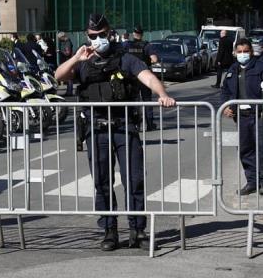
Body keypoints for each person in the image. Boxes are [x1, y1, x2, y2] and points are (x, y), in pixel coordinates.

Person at [55, 13, 175, 251]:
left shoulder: (125, 59)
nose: (98, 39)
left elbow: (148, 77)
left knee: (134, 179)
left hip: (124, 127)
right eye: (93, 36)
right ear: (87, 37)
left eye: (101, 35)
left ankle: (137, 231)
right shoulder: (83, 62)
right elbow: (58, 76)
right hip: (96, 129)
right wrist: (77, 58)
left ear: (109, 33)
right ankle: (109, 231)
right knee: (102, 182)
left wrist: (163, 95)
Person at [220, 38, 263, 195]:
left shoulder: (262, 67)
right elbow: (225, 91)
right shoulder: (232, 70)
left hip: (259, 115)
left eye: (245, 51)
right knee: (246, 150)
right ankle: (252, 181)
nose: (242, 54)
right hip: (241, 116)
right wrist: (226, 106)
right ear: (234, 53)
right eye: (239, 52)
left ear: (251, 52)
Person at [123, 26, 158, 130]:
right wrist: (148, 61)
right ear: (142, 35)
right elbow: (154, 59)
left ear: (133, 34)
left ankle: (135, 124)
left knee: (134, 101)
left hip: (132, 77)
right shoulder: (147, 45)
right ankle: (150, 124)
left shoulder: (127, 45)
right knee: (147, 100)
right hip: (144, 76)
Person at [57, 31, 74, 96]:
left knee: (69, 77)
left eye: (59, 38)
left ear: (62, 37)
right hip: (67, 61)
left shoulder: (67, 43)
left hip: (68, 61)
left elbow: (67, 53)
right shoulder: (66, 42)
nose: (59, 40)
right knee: (68, 77)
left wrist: (60, 51)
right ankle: (69, 91)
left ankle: (69, 92)